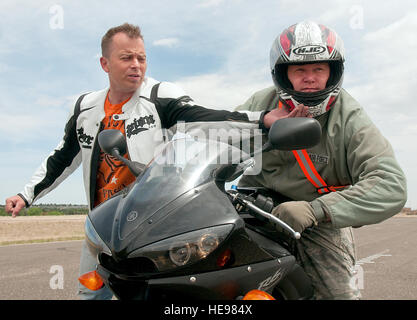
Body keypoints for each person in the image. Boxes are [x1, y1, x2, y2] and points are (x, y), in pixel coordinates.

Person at [4, 23, 282, 300]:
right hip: (105, 226)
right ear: (105, 63)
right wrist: (26, 195)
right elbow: (62, 158)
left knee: (152, 295)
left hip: (153, 227)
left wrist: (262, 119)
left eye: (141, 58)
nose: (136, 65)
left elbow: (204, 117)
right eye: (126, 57)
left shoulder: (159, 97)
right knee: (89, 296)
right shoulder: (84, 108)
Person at [235, 21, 407, 299]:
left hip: (316, 218)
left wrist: (316, 210)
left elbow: (391, 185)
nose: (310, 77)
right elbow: (215, 138)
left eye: (319, 69)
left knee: (339, 295)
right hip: (254, 206)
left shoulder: (350, 118)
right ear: (283, 74)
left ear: (332, 72)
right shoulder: (260, 104)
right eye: (299, 69)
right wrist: (261, 125)